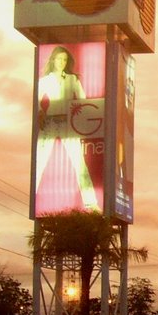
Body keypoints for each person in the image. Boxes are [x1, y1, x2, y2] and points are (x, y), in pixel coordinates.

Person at [34, 45, 98, 210]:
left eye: (64, 59)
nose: (61, 62)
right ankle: (32, 200)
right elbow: (37, 101)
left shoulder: (72, 79)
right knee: (39, 162)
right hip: (50, 123)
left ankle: (91, 203)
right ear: (53, 60)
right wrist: (40, 112)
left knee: (79, 163)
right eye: (58, 58)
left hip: (68, 124)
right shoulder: (44, 80)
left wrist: (80, 121)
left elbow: (82, 100)